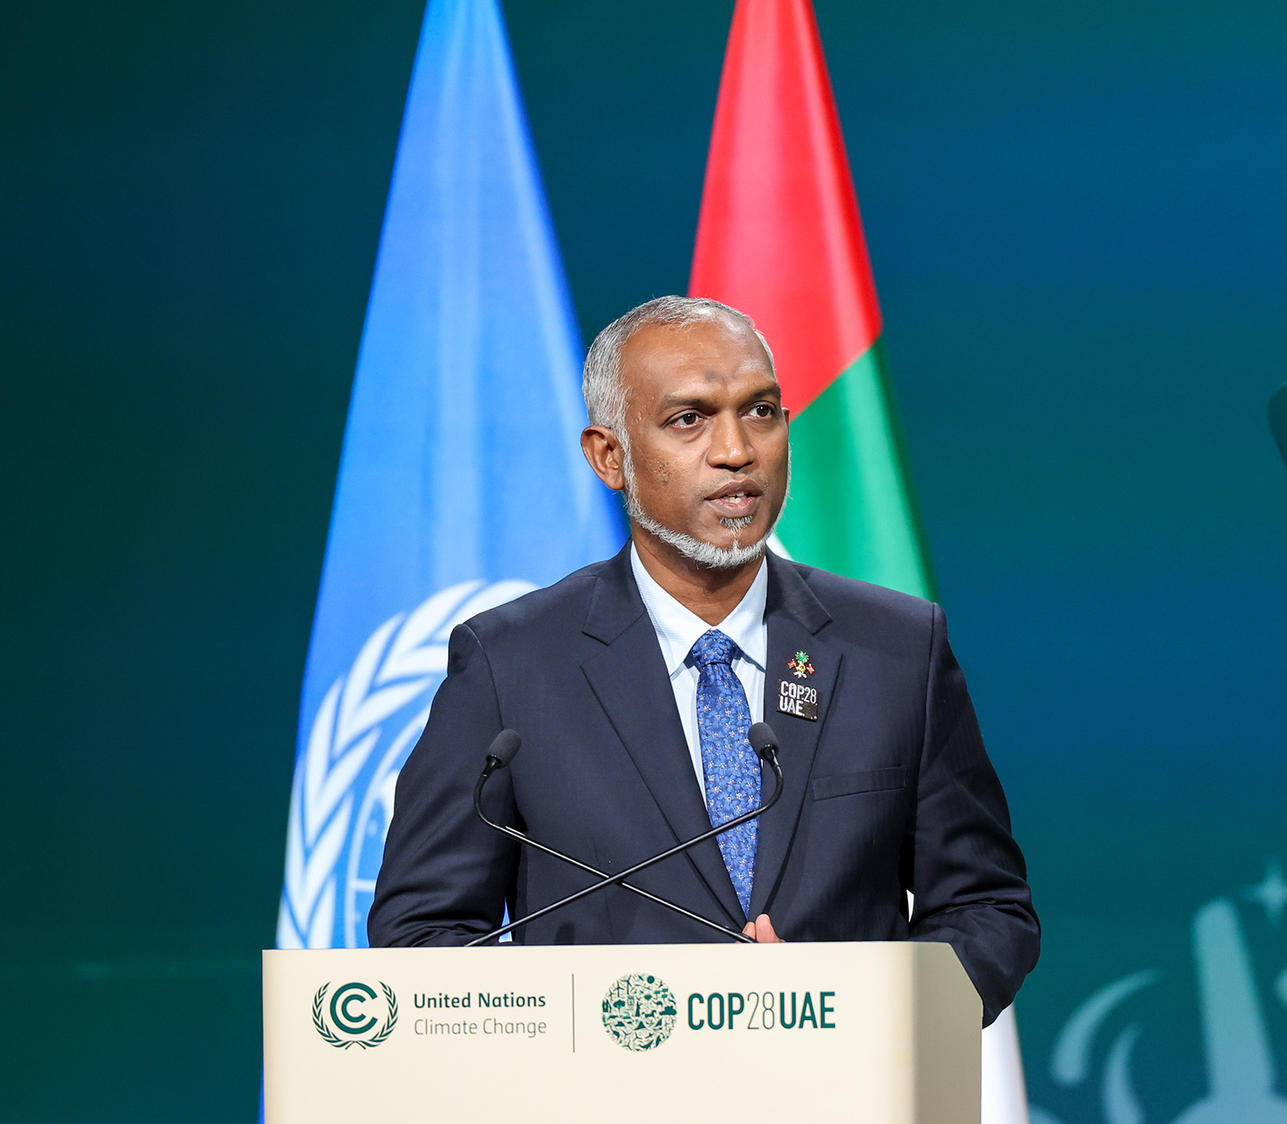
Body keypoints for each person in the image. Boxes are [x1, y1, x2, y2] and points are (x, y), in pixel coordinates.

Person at [368, 296, 1037, 1024]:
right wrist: (601, 1020)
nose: (736, 451)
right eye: (689, 419)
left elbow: (986, 909)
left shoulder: (896, 648)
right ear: (609, 457)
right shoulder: (510, 665)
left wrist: (863, 1012)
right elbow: (422, 937)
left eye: (761, 411)